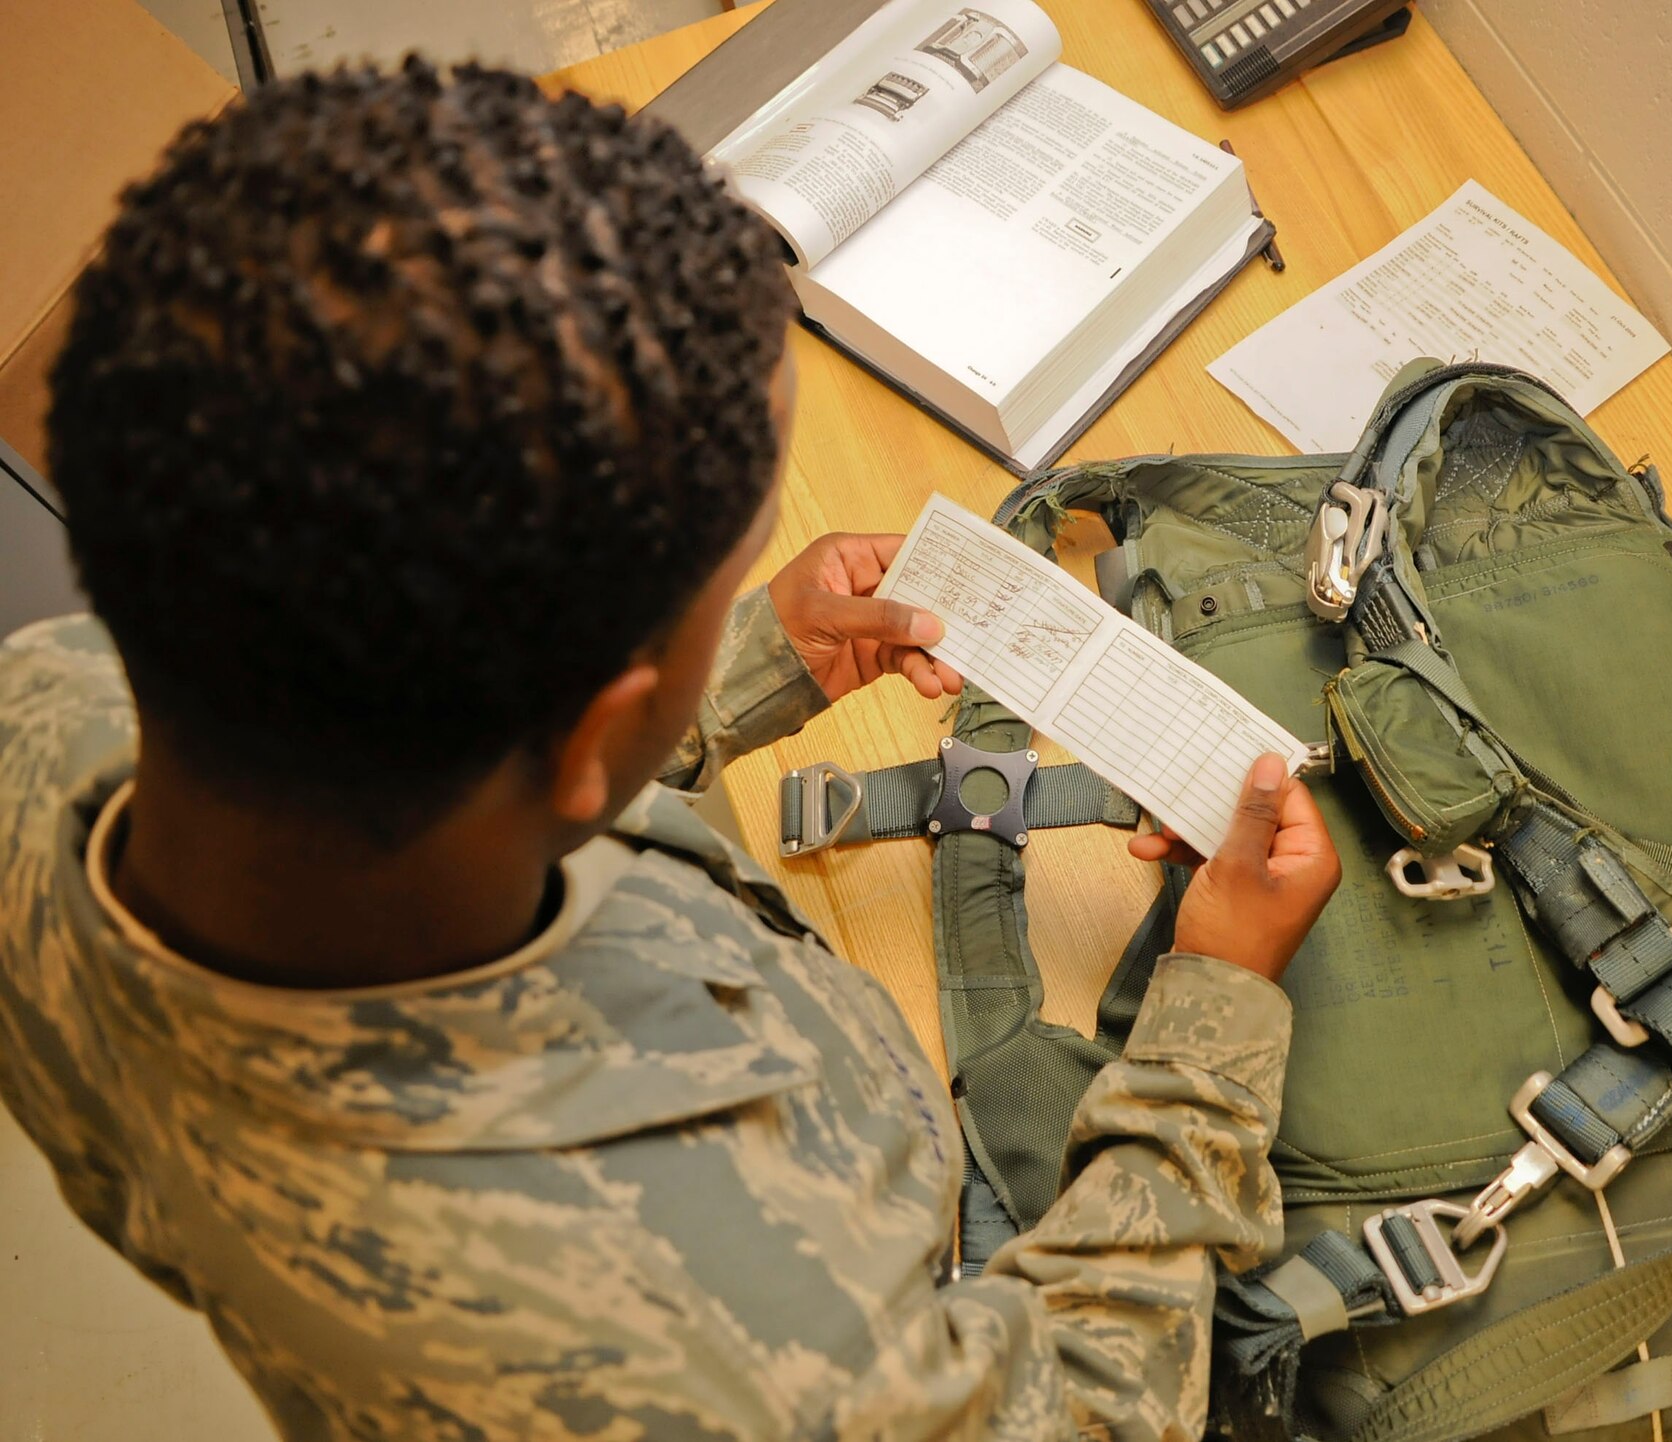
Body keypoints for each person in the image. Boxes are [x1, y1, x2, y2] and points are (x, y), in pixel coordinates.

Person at [0, 61, 1340, 1442]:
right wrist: (1208, 1021)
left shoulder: (40, 712)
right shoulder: (759, 1354)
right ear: (588, 737)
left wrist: (736, 663)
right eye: (733, 571)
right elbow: (1085, 1415)